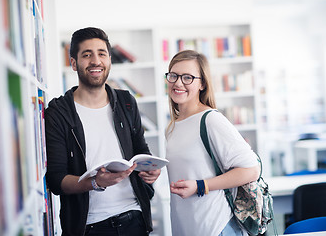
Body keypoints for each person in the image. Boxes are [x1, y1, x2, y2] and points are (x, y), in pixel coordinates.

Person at [45, 27, 160, 236]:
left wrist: (150, 169)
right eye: (86, 55)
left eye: (101, 53)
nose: (95, 61)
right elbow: (56, 180)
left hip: (134, 219)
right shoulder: (58, 112)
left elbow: (141, 149)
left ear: (109, 60)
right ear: (73, 63)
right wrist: (95, 183)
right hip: (88, 227)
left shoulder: (126, 101)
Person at [165, 50, 260, 236]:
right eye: (174, 75)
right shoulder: (172, 127)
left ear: (202, 84)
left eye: (187, 77)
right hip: (186, 227)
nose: (178, 83)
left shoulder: (211, 120)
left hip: (215, 227)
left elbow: (251, 170)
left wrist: (201, 186)